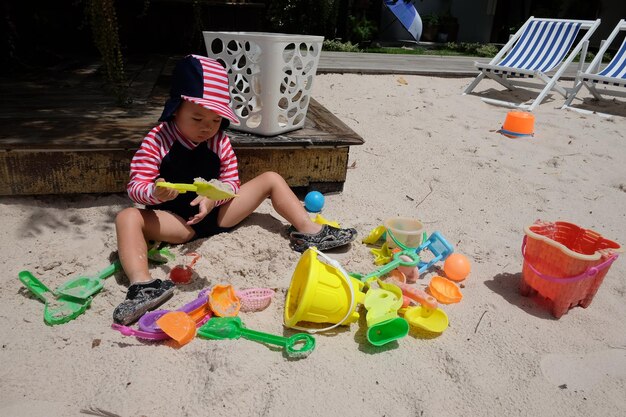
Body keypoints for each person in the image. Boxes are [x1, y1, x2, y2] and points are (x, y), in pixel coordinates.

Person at [113, 55, 357, 325]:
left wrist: (213, 196)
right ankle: (143, 285)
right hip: (178, 221)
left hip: (219, 213)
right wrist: (154, 194)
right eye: (197, 117)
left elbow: (231, 182)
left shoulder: (218, 141)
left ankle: (309, 232)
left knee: (271, 178)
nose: (207, 127)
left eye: (216, 120)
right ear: (175, 109)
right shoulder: (157, 140)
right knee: (127, 217)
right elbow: (135, 186)